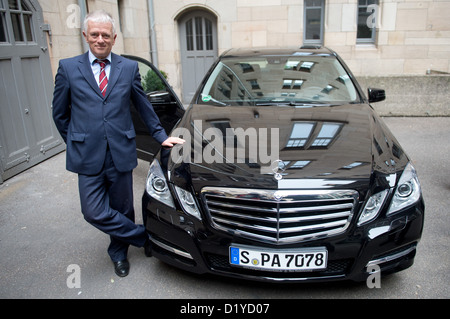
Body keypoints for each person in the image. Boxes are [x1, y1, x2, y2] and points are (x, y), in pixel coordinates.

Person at [52, 10, 184, 277]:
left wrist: (161, 135)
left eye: (105, 35)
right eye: (94, 34)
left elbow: (143, 105)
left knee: (122, 208)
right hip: (86, 154)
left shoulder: (128, 68)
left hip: (121, 151)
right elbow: (59, 113)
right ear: (85, 36)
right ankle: (143, 236)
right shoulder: (68, 68)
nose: (100, 39)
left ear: (114, 38)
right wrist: (76, 141)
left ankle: (118, 254)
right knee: (93, 211)